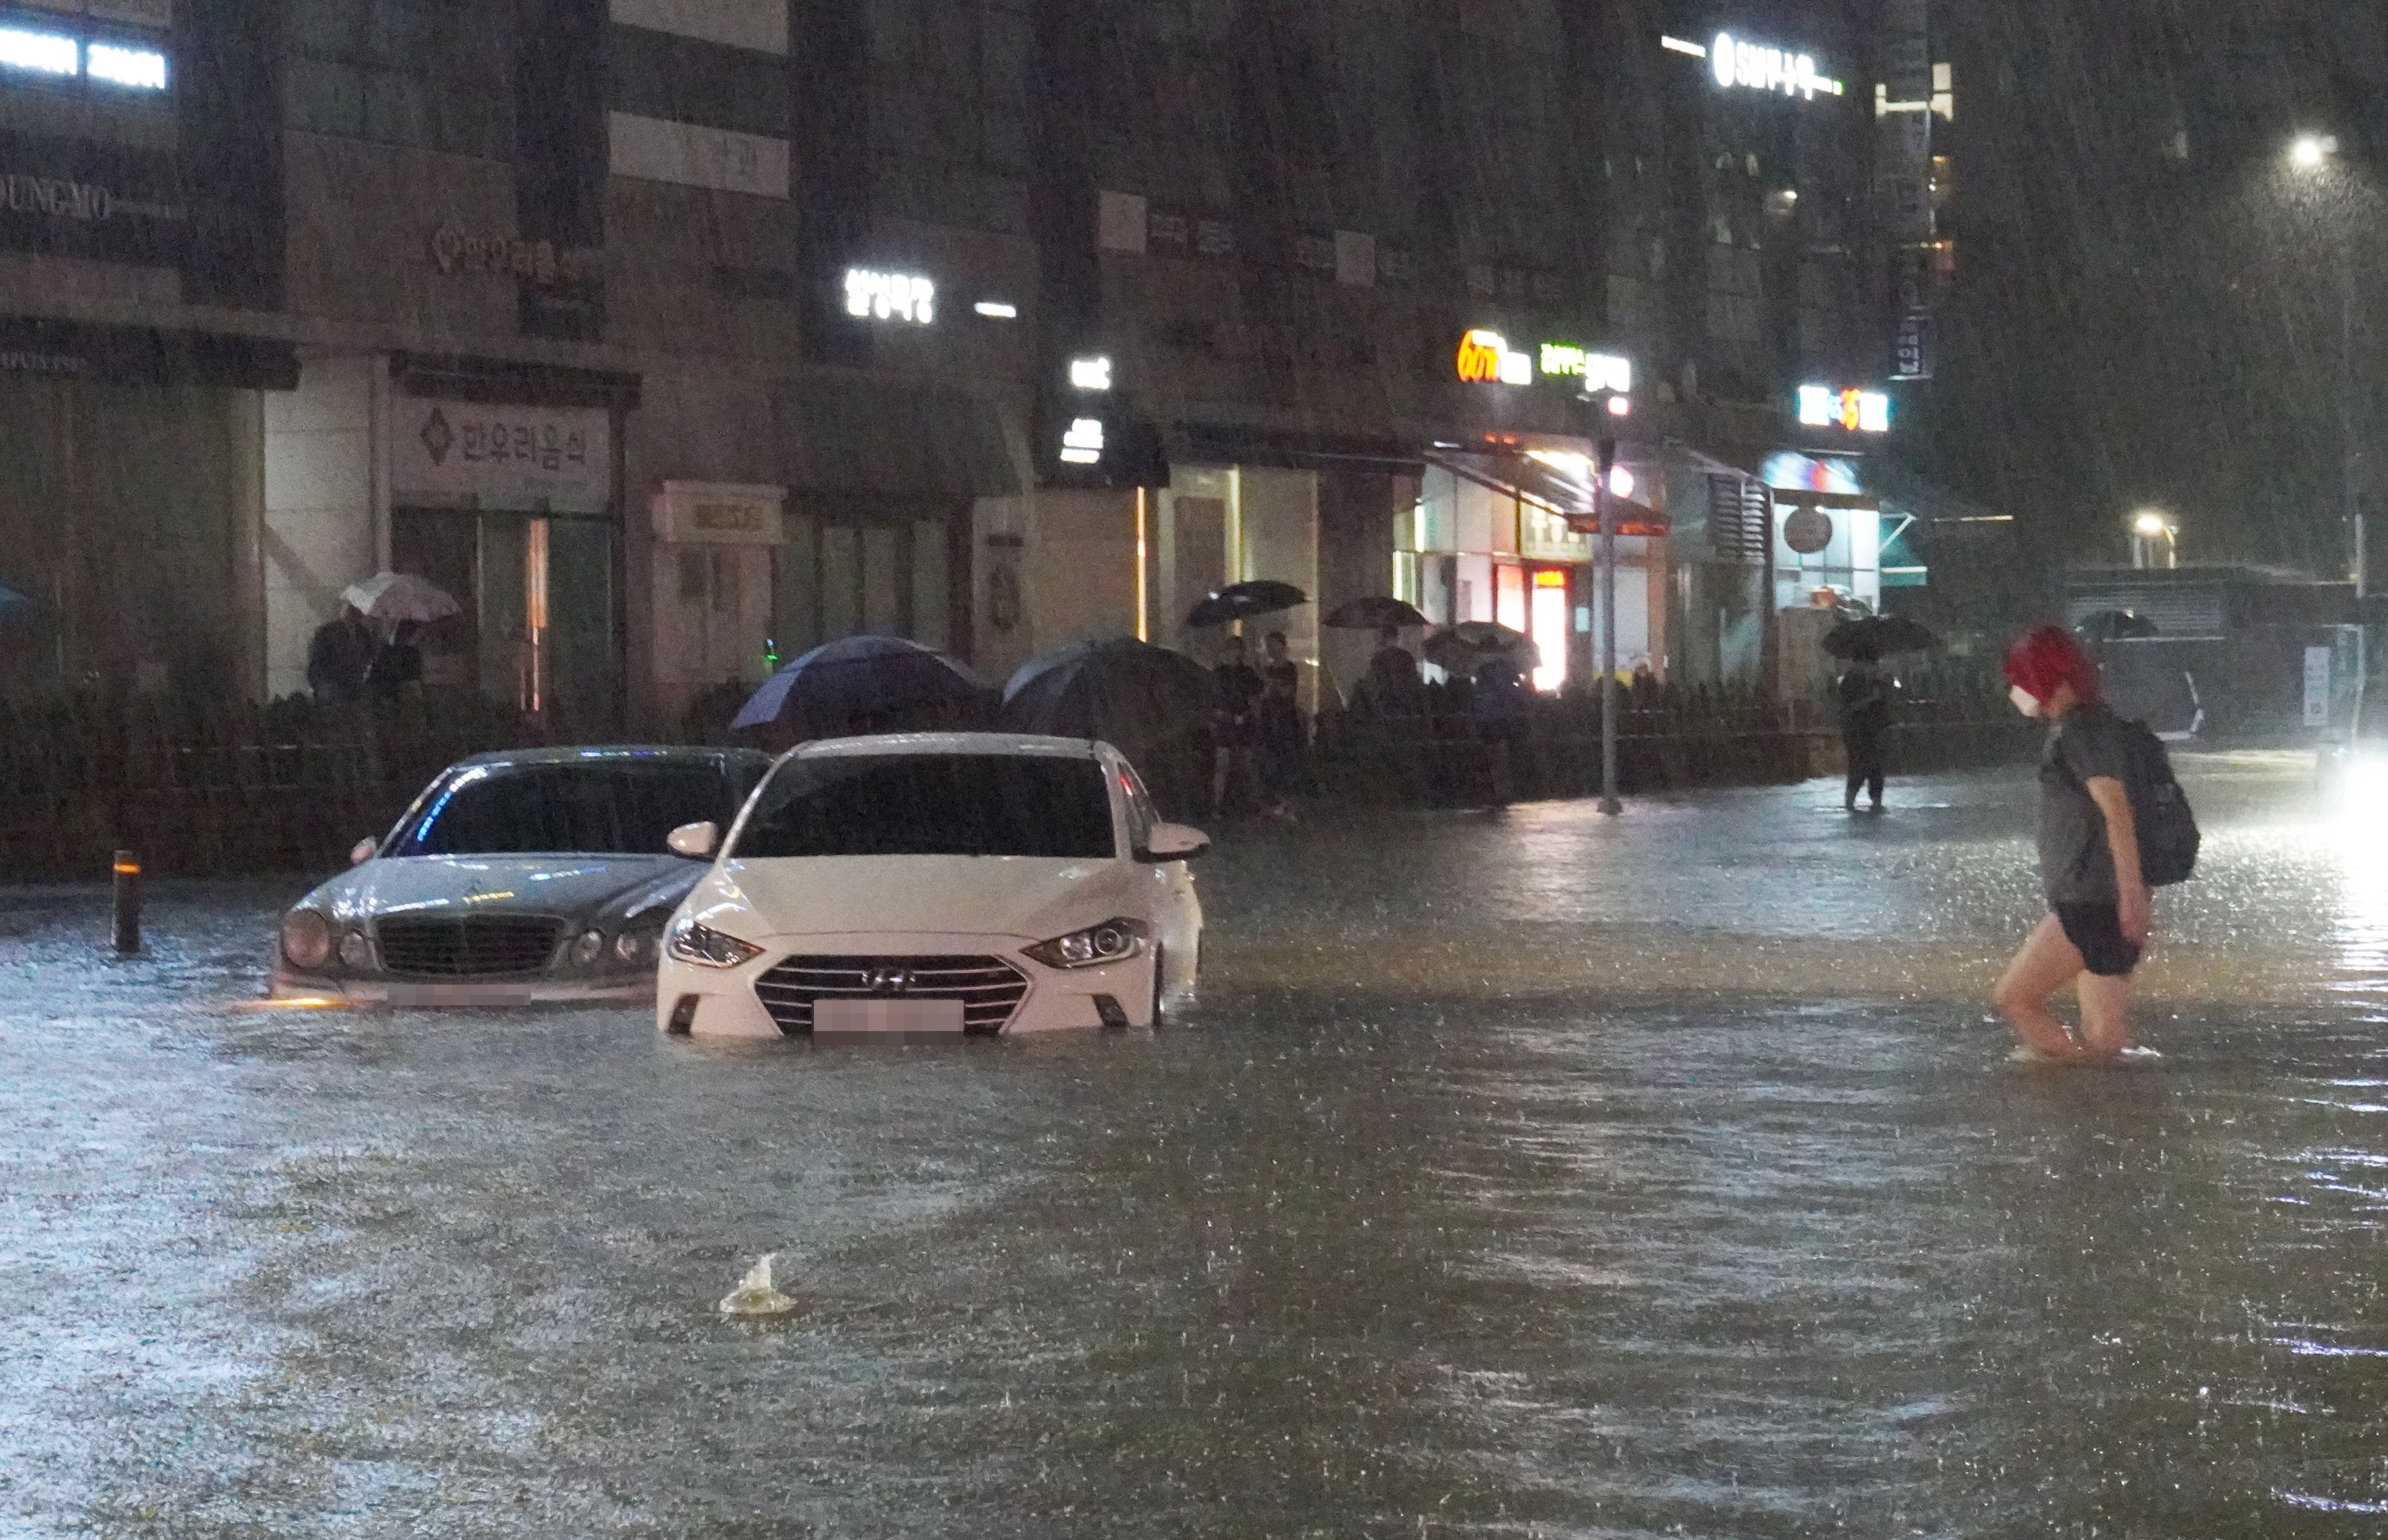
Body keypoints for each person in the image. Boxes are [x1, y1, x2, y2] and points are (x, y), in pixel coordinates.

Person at [1990, 625, 2150, 1064]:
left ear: (2042, 677)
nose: (2016, 690)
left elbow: (2116, 809)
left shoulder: (2079, 732)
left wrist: (2131, 899)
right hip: (2098, 896)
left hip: (2094, 900)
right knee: (2105, 1035)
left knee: (2016, 999)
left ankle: (2080, 1094)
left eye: (2019, 678)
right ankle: (2115, 1112)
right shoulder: (2095, 726)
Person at [1210, 633, 1265, 814]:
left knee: (1247, 764)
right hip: (1226, 724)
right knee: (1223, 765)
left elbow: (1255, 698)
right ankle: (1218, 805)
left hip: (1243, 723)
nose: (1235, 655)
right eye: (1232, 651)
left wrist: (1245, 714)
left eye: (1238, 651)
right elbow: (1214, 700)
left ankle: (1248, 803)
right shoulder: (1220, 674)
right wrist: (1224, 714)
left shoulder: (1247, 674)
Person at [1256, 631, 1306, 817]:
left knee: (1286, 762)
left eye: (1274, 646)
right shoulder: (1267, 670)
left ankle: (1288, 803)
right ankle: (1275, 802)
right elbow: (1262, 696)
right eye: (1269, 646)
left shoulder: (1289, 668)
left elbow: (1287, 693)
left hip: (1285, 721)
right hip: (1270, 721)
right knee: (1271, 763)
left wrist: (1272, 685)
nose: (1271, 650)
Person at [1836, 649, 1892, 812]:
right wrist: (1871, 698)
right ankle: (1850, 799)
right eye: (1870, 664)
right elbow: (1848, 707)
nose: (1873, 668)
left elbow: (1886, 702)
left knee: (1876, 765)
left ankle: (1876, 800)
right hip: (1857, 728)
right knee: (1860, 764)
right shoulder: (1851, 680)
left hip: (1874, 727)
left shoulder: (1877, 680)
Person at [1470, 650, 1529, 807]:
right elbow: (1517, 687)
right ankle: (1504, 792)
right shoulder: (1507, 667)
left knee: (1490, 756)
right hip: (1503, 717)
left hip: (1486, 718)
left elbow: (1477, 691)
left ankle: (1494, 792)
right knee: (1501, 755)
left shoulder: (1482, 669)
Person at [306, 602, 378, 709]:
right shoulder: (329, 631)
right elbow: (318, 659)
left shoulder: (363, 633)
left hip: (352, 686)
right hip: (332, 683)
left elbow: (368, 657)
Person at [1359, 625, 1425, 717]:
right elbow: (1413, 680)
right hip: (1407, 705)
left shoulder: (1379, 659)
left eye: (1377, 637)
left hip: (1386, 706)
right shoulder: (1406, 656)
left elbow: (1374, 683)